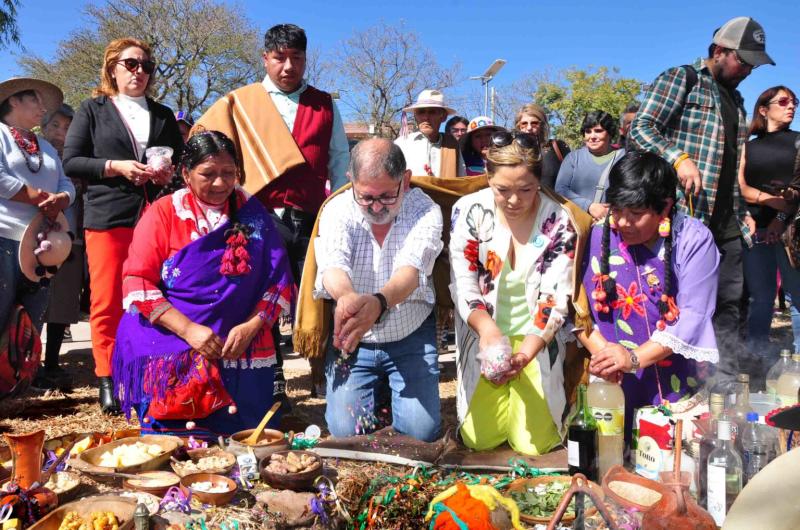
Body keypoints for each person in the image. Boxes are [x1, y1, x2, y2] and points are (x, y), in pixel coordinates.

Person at [194, 23, 350, 400]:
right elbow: (205, 145)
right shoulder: (240, 103)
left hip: (313, 217)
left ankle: (324, 376)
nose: (288, 66)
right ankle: (273, 379)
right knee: (260, 297)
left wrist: (344, 209)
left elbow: (340, 160)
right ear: (265, 59)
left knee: (318, 296)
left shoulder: (325, 103)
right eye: (280, 58)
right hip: (257, 216)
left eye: (296, 58)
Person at [112, 131, 294, 439]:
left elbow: (279, 281)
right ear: (185, 173)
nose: (221, 184)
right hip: (175, 334)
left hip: (240, 340)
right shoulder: (165, 213)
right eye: (208, 174)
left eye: (229, 173)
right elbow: (137, 280)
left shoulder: (254, 214)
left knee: (251, 439)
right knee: (175, 442)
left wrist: (253, 325)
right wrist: (188, 330)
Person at [629, 16, 775, 381]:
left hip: (727, 222)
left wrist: (744, 213)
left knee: (729, 303)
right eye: (743, 61)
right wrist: (679, 158)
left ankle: (720, 384)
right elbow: (641, 128)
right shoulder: (684, 79)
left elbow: (730, 167)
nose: (747, 71)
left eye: (753, 65)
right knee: (681, 302)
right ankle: (675, 380)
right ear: (719, 51)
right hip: (685, 218)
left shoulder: (737, 101)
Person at [449, 131, 591, 455]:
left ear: (539, 182)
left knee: (534, 444)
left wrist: (525, 354)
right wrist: (488, 331)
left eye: (526, 189)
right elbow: (464, 282)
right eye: (503, 190)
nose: (514, 200)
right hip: (484, 331)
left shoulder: (558, 221)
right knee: (480, 439)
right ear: (487, 178)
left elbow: (554, 298)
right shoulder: (468, 211)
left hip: (535, 338)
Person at [63, 37, 183, 413]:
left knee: (156, 297)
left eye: (147, 66)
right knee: (107, 300)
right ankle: (108, 376)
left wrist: (166, 175)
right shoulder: (93, 109)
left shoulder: (163, 114)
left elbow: (175, 166)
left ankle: (148, 371)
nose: (140, 72)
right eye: (131, 64)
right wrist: (115, 166)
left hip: (154, 218)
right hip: (108, 216)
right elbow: (73, 161)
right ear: (112, 67)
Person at [578, 152, 720, 440]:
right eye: (617, 210)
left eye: (636, 213)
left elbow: (693, 315)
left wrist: (632, 358)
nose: (623, 222)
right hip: (610, 378)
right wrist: (606, 358)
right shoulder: (596, 237)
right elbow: (577, 308)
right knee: (610, 454)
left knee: (670, 460)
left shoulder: (693, 240)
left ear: (665, 207)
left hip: (675, 377)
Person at [314, 138, 443, 442]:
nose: (375, 207)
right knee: (347, 434)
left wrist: (380, 302)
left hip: (410, 334)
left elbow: (411, 271)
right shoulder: (336, 210)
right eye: (366, 197)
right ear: (351, 182)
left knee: (421, 435)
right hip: (355, 340)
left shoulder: (425, 210)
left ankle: (388, 395)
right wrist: (346, 298)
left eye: (386, 196)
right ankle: (380, 394)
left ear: (406, 181)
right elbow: (333, 265)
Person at [0, 78, 75, 333]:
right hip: (4, 236)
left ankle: (26, 371)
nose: (43, 109)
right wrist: (40, 197)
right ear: (13, 100)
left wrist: (62, 199)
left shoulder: (45, 147)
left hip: (43, 241)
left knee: (31, 322)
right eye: (35, 100)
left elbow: (65, 183)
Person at [737, 86, 800, 361]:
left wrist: (781, 216)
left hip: (791, 233)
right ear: (764, 109)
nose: (792, 107)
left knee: (797, 297)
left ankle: (798, 361)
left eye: (794, 102)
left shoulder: (799, 142)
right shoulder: (747, 145)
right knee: (760, 298)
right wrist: (771, 201)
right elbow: (739, 186)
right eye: (784, 101)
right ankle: (757, 359)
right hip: (756, 231)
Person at [36, 104, 82, 390]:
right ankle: (25, 363)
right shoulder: (32, 155)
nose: (61, 133)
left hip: (72, 239)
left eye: (67, 128)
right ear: (43, 126)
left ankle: (51, 363)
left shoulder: (78, 160)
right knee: (33, 302)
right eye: (55, 126)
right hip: (34, 238)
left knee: (62, 304)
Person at [555, 111, 625, 220]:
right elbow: (560, 190)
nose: (592, 136)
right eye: (588, 131)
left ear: (610, 133)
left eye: (598, 131)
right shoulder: (573, 158)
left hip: (612, 224)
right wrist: (589, 206)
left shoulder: (623, 157)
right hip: (577, 224)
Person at [394, 89, 465, 178]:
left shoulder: (452, 145)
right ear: (415, 115)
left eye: (432, 112)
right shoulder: (402, 144)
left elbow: (461, 179)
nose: (426, 117)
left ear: (443, 117)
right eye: (421, 112)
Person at [515, 103, 570, 188]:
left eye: (534, 123)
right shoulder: (511, 150)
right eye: (524, 123)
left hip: (554, 200)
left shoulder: (558, 147)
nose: (529, 127)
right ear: (519, 126)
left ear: (542, 125)